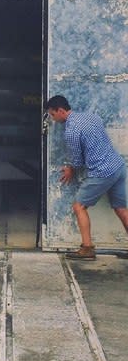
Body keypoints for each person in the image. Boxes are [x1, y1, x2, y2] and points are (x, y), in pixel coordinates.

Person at [45, 95, 128, 259]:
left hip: (102, 172)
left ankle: (87, 248)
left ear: (61, 111)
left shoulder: (71, 131)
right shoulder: (92, 116)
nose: (52, 119)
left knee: (79, 207)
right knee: (121, 209)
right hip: (118, 166)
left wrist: (70, 169)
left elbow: (77, 160)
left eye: (53, 115)